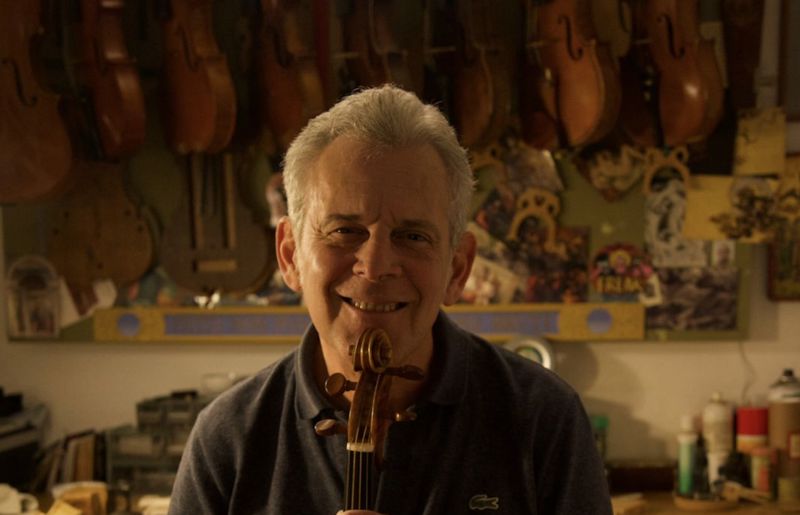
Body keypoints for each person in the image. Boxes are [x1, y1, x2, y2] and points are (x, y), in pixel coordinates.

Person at [168, 85, 612, 514]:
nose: (376, 266)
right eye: (344, 231)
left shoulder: (544, 418)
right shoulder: (227, 438)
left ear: (457, 269)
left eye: (413, 236)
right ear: (290, 256)